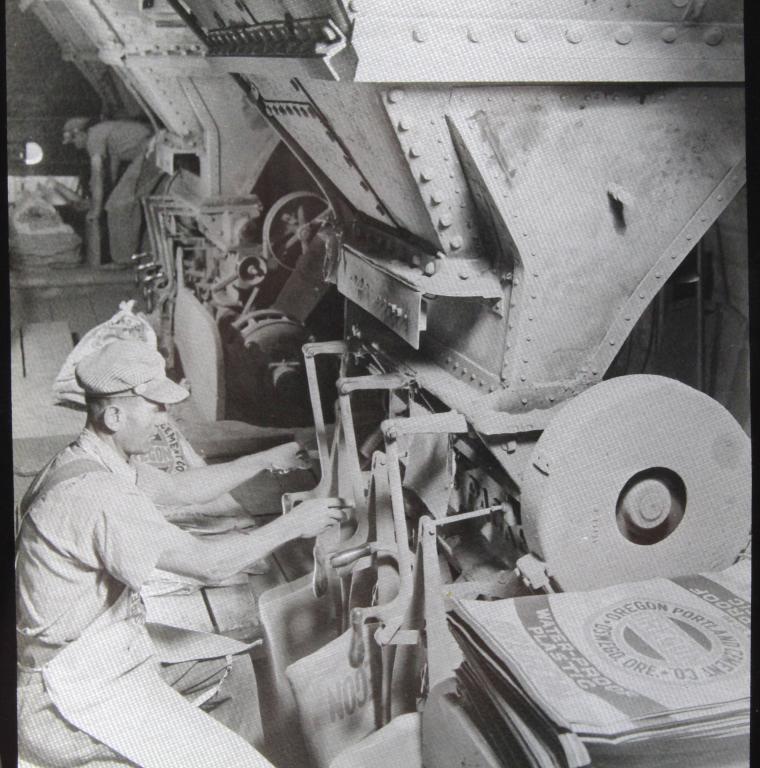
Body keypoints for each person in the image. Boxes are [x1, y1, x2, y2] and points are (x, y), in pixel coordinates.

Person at [16, 339, 345, 767]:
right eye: (155, 407)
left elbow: (181, 490)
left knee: (232, 662)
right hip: (63, 694)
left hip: (95, 651)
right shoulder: (98, 494)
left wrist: (269, 457)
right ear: (114, 415)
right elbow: (207, 566)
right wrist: (295, 525)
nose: (164, 418)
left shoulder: (90, 459)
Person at [62, 116, 163, 267]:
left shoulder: (93, 138)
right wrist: (97, 202)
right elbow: (110, 175)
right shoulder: (106, 132)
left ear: (79, 133)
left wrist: (95, 210)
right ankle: (125, 259)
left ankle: (124, 262)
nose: (76, 147)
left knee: (118, 206)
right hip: (151, 148)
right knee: (114, 202)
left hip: (153, 149)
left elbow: (97, 174)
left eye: (74, 141)